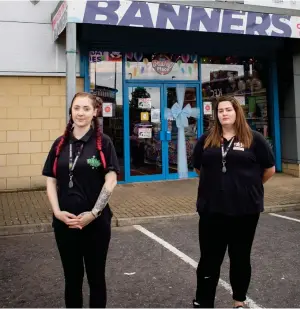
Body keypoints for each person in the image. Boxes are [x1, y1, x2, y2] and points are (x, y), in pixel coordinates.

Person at [192, 96, 275, 308]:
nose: (224, 114)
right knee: (209, 259)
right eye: (220, 111)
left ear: (237, 112)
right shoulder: (207, 139)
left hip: (245, 211)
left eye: (228, 109)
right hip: (212, 210)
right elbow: (198, 168)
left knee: (240, 257)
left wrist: (249, 188)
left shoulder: (254, 139)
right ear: (216, 115)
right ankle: (204, 301)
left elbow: (269, 170)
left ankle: (239, 300)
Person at [42, 92, 120, 308]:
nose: (81, 113)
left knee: (96, 279)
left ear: (95, 112)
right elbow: (50, 180)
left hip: (96, 224)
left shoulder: (103, 143)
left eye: (86, 108)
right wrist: (57, 213)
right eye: (77, 108)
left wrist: (93, 214)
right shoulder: (60, 143)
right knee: (72, 280)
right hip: (65, 224)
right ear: (71, 110)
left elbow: (111, 180)